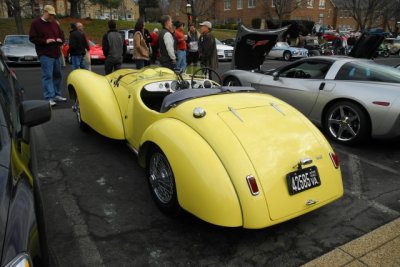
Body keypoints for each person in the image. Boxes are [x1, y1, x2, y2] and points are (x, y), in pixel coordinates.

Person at [29, 5, 66, 107]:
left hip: (56, 53)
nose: (52, 17)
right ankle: (49, 97)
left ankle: (57, 95)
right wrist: (45, 41)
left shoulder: (54, 23)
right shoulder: (35, 23)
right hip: (45, 54)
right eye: (50, 15)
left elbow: (62, 36)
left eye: (53, 15)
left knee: (58, 75)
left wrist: (60, 40)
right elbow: (32, 38)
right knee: (48, 76)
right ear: (44, 12)